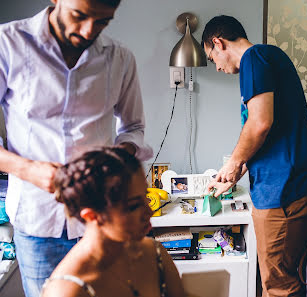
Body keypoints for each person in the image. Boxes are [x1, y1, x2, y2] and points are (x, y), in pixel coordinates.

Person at [0, 0, 152, 296]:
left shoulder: (120, 59)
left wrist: (116, 160)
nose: (87, 31)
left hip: (103, 221)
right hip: (37, 222)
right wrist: (28, 170)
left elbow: (134, 129)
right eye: (79, 16)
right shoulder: (7, 44)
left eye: (103, 22)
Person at [203, 16, 307, 297]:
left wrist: (233, 164)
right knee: (279, 276)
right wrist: (232, 173)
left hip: (285, 189)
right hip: (288, 182)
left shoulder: (255, 57)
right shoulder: (265, 60)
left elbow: (259, 124)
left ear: (218, 42)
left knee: (277, 286)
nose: (219, 68)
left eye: (213, 59)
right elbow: (264, 134)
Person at [41, 147, 184, 297]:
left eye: (146, 196)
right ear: (92, 216)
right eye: (133, 206)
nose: (149, 211)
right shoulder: (67, 290)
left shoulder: (154, 252)